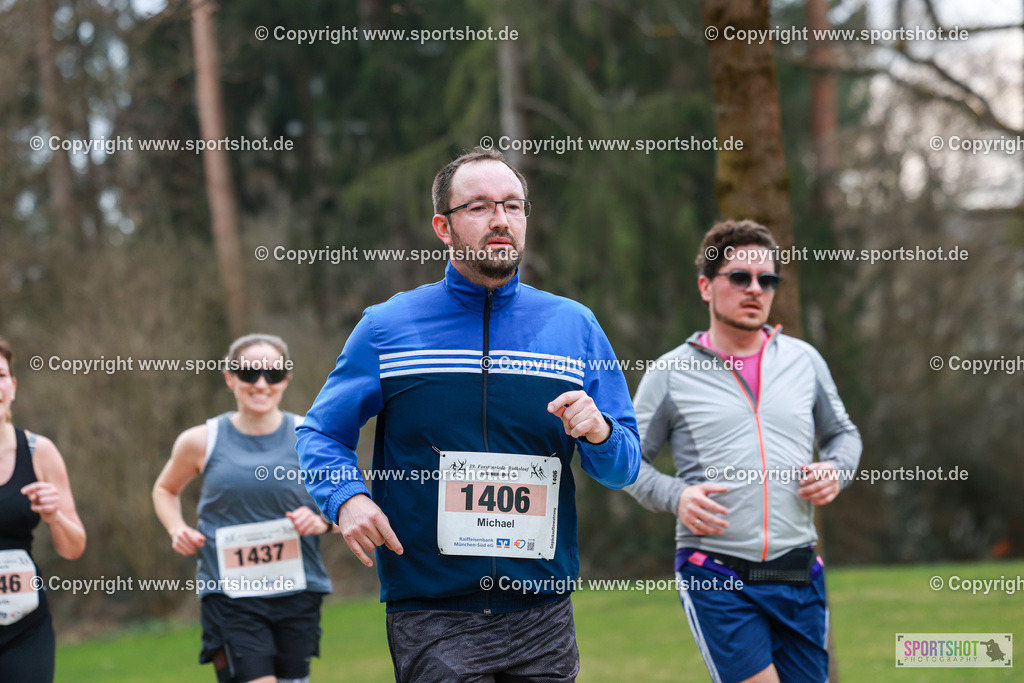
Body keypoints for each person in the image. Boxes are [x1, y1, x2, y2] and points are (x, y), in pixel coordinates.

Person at [296, 147, 641, 681]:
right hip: (433, 610)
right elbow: (321, 433)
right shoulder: (388, 327)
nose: (500, 220)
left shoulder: (575, 327)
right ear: (443, 226)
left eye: (512, 205)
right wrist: (347, 499)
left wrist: (599, 434)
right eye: (479, 207)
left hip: (541, 610)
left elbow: (623, 467)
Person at [623, 220, 862, 683]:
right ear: (706, 287)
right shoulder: (670, 373)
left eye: (767, 280)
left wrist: (836, 470)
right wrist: (677, 496)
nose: (756, 289)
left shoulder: (804, 360)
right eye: (740, 277)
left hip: (797, 571)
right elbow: (626, 461)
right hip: (717, 569)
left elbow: (844, 435)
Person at [153, 334, 333, 683]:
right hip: (231, 595)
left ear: (286, 380)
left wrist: (321, 522)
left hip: (297, 591)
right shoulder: (200, 440)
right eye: (250, 374)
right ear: (229, 377)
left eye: (273, 374)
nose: (261, 384)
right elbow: (164, 489)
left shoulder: (311, 437)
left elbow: (351, 506)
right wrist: (177, 528)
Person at [0, 336, 86, 682]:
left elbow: (74, 547)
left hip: (24, 624)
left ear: (14, 386)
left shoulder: (40, 451)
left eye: (1, 375)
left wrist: (55, 517)